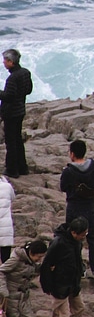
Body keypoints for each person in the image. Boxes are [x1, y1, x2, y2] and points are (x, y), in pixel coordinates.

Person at [59, 140, 94, 280]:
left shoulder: (68, 171)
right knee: (93, 239)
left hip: (74, 208)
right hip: (89, 207)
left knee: (73, 239)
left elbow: (63, 187)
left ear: (72, 154)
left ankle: (78, 270)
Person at [40, 217, 87, 317]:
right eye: (83, 234)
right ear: (74, 232)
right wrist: (46, 285)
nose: (84, 237)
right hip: (59, 284)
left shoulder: (77, 242)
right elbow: (46, 264)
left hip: (73, 283)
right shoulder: (58, 243)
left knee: (79, 309)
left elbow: (77, 259)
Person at [0, 239, 47, 317]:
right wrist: (3, 290)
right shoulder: (16, 260)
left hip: (24, 298)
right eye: (39, 256)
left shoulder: (31, 261)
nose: (39, 259)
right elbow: (1, 271)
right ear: (32, 253)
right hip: (11, 297)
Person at [0, 49, 32, 178]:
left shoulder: (12, 78)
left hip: (11, 113)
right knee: (17, 140)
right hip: (20, 111)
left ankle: (12, 169)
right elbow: (28, 90)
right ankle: (22, 167)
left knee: (11, 141)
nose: (3, 62)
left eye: (5, 60)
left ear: (11, 62)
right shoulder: (25, 73)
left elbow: (9, 96)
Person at [0, 175, 15, 262]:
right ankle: (5, 273)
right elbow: (13, 197)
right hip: (6, 223)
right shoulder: (7, 186)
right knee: (5, 255)